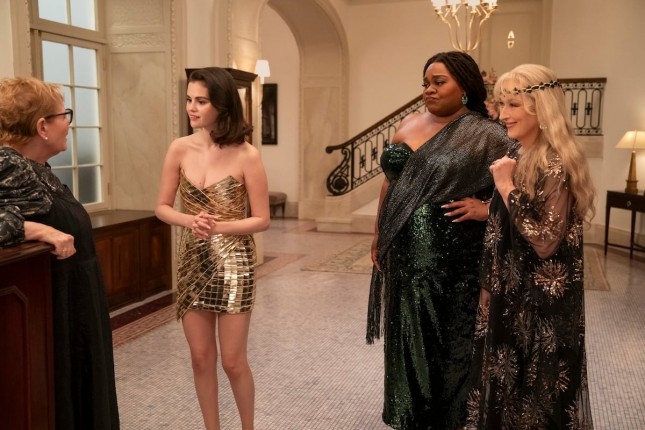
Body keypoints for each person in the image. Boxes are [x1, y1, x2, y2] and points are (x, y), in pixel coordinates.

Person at [366, 51, 514, 430]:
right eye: (425, 83)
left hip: (453, 254)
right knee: (408, 329)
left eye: (439, 82)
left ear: (464, 87)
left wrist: (486, 208)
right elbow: (391, 182)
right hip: (404, 251)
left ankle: (449, 419)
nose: (429, 90)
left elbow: (521, 182)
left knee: (447, 337)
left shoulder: (487, 133)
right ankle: (410, 415)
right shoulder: (409, 124)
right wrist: (380, 231)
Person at [467, 64, 595, 429]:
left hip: (541, 306)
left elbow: (545, 241)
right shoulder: (518, 153)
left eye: (513, 105)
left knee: (536, 398)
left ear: (541, 109)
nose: (502, 114)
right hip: (510, 293)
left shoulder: (555, 164)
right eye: (501, 104)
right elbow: (501, 229)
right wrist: (488, 286)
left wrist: (506, 186)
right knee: (507, 391)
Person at [0, 77, 120, 429]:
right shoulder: (10, 164)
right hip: (54, 310)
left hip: (73, 302)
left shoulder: (35, 168)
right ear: (42, 126)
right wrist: (36, 229)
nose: (68, 122)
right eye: (63, 114)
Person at [155, 67, 269, 430]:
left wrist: (218, 226)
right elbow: (162, 207)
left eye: (201, 101)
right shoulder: (179, 148)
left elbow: (262, 219)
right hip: (193, 258)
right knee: (201, 358)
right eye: (189, 100)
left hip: (235, 262)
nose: (191, 107)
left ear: (222, 104)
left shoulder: (247, 154)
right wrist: (190, 221)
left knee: (233, 361)